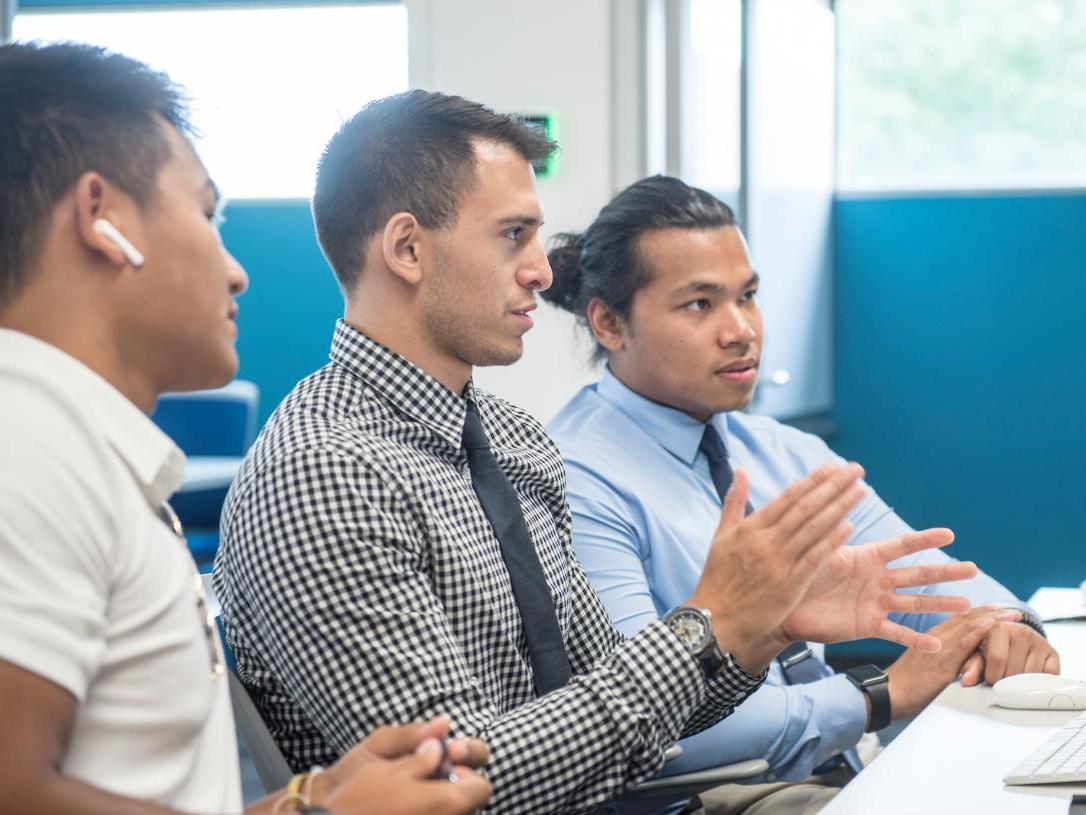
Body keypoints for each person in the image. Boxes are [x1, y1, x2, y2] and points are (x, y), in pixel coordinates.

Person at [214, 90, 978, 814]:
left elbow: (628, 710)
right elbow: (462, 786)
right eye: (513, 235)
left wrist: (761, 627)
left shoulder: (513, 440)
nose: (544, 272)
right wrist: (711, 620)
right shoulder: (324, 470)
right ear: (408, 248)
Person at [0, 41, 491, 815]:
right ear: (102, 219)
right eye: (205, 213)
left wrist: (304, 798)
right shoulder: (25, 438)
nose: (237, 270)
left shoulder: (71, 445)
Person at [543, 175, 1057, 812]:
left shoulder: (780, 450)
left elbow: (940, 589)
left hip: (840, 770)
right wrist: (880, 696)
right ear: (609, 323)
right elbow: (646, 721)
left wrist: (1006, 626)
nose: (741, 330)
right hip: (713, 797)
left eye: (748, 296)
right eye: (700, 304)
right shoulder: (572, 478)